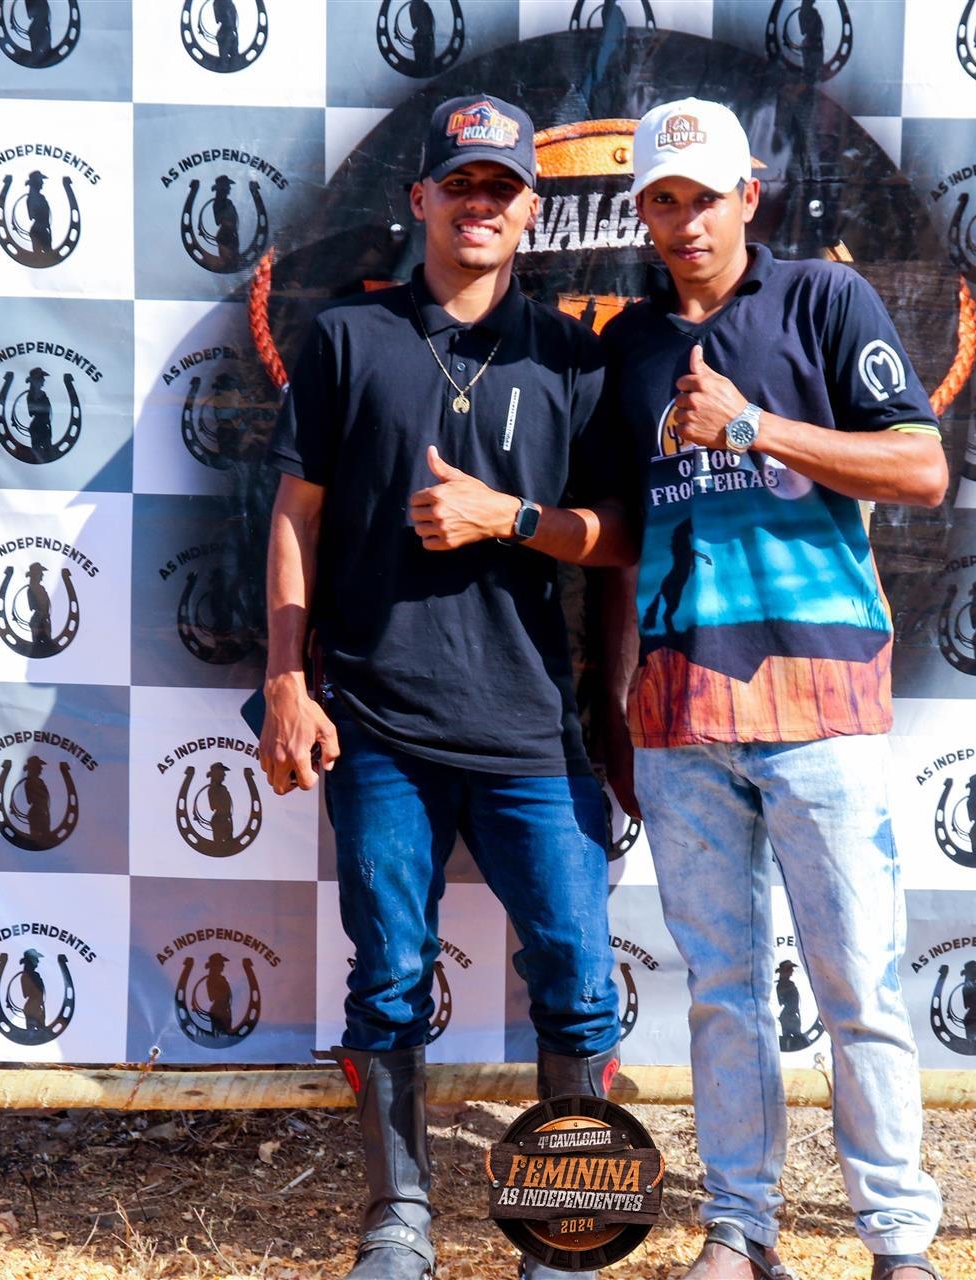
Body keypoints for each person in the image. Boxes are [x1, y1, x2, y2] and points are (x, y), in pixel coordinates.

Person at [261, 93, 633, 1280]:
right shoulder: (346, 337)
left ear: (531, 212)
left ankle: (564, 1231)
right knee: (388, 976)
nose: (481, 203)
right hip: (379, 726)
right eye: (461, 182)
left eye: (502, 187)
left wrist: (505, 517)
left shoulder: (570, 354)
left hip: (531, 727)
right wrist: (286, 679)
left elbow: (618, 536)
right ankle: (398, 1221)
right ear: (419, 197)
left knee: (579, 975)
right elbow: (294, 515)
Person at [600, 98, 949, 1280]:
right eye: (664, 200)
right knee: (722, 992)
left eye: (705, 197)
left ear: (749, 196)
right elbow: (622, 537)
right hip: (681, 713)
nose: (686, 221)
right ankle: (739, 1231)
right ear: (643, 214)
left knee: (860, 985)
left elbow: (920, 465)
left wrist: (753, 425)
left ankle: (897, 1239)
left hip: (819, 702)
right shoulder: (628, 347)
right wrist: (619, 699)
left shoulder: (823, 300)